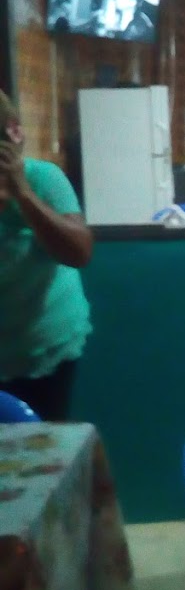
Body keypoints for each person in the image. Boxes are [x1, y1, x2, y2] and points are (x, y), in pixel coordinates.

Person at [0, 90, 93, 420]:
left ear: (14, 134)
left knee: (43, 443)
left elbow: (79, 252)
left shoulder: (44, 179)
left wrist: (23, 194)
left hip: (47, 348)